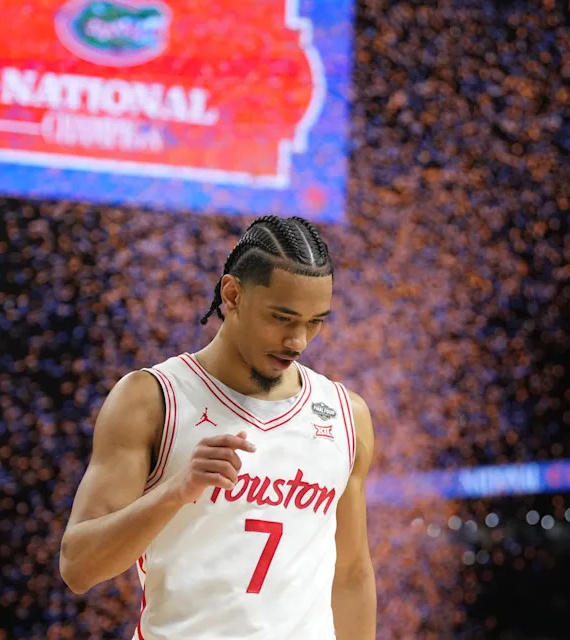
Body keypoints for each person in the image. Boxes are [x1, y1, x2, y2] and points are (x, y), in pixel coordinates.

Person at [59, 216, 376, 639]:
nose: (298, 341)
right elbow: (78, 567)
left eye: (315, 321)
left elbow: (351, 575)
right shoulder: (152, 399)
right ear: (232, 295)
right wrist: (175, 491)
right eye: (282, 318)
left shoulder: (345, 415)